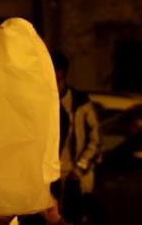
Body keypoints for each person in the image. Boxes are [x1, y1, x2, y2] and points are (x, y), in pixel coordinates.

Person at [51, 50, 101, 225]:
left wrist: (80, 168)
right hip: (49, 175)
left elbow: (95, 140)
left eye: (57, 79)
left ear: (64, 76)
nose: (54, 84)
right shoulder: (42, 103)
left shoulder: (81, 103)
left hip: (73, 174)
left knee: (73, 216)